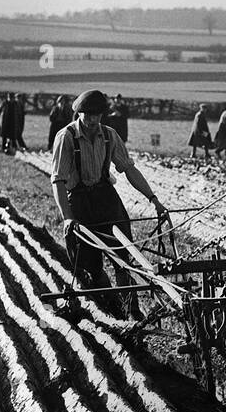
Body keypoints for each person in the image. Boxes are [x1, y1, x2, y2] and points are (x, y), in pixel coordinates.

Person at [51, 89, 168, 317]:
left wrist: (154, 199)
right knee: (91, 264)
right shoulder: (66, 137)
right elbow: (58, 181)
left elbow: (129, 169)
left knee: (123, 256)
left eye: (98, 115)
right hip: (80, 202)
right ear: (79, 114)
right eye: (89, 115)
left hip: (106, 198)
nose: (94, 120)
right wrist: (68, 217)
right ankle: (111, 305)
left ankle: (132, 310)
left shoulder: (109, 135)